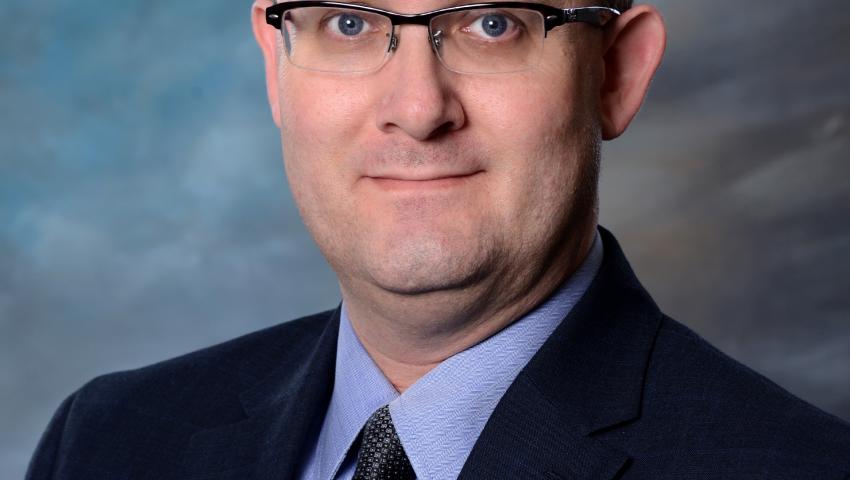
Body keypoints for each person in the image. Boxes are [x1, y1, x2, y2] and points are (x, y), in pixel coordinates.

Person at [26, 0, 850, 478]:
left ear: (615, 74)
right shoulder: (108, 441)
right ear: (277, 66)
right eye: (348, 22)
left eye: (493, 23)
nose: (418, 109)